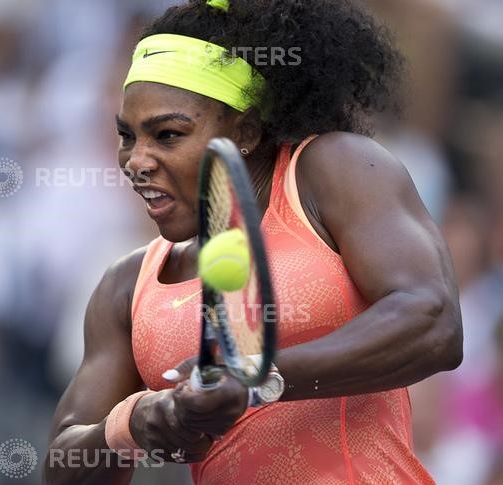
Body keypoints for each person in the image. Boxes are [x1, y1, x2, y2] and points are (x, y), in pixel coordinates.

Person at [45, 0, 463, 483]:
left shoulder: (333, 169)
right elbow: (64, 462)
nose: (136, 161)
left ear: (243, 131)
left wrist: (254, 379)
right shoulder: (124, 287)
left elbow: (433, 320)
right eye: (127, 136)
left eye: (167, 134)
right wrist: (132, 423)